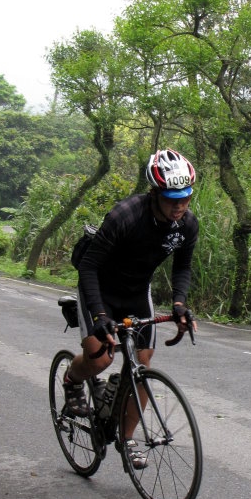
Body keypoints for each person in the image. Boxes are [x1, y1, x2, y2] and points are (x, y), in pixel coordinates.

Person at [64, 148, 199, 468]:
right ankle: (72, 379)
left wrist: (179, 304)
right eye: (171, 198)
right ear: (155, 193)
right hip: (100, 288)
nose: (179, 205)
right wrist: (99, 317)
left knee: (142, 366)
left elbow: (182, 268)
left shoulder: (187, 225)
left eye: (186, 197)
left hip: (137, 292)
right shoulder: (124, 216)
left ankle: (126, 439)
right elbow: (89, 268)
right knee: (101, 358)